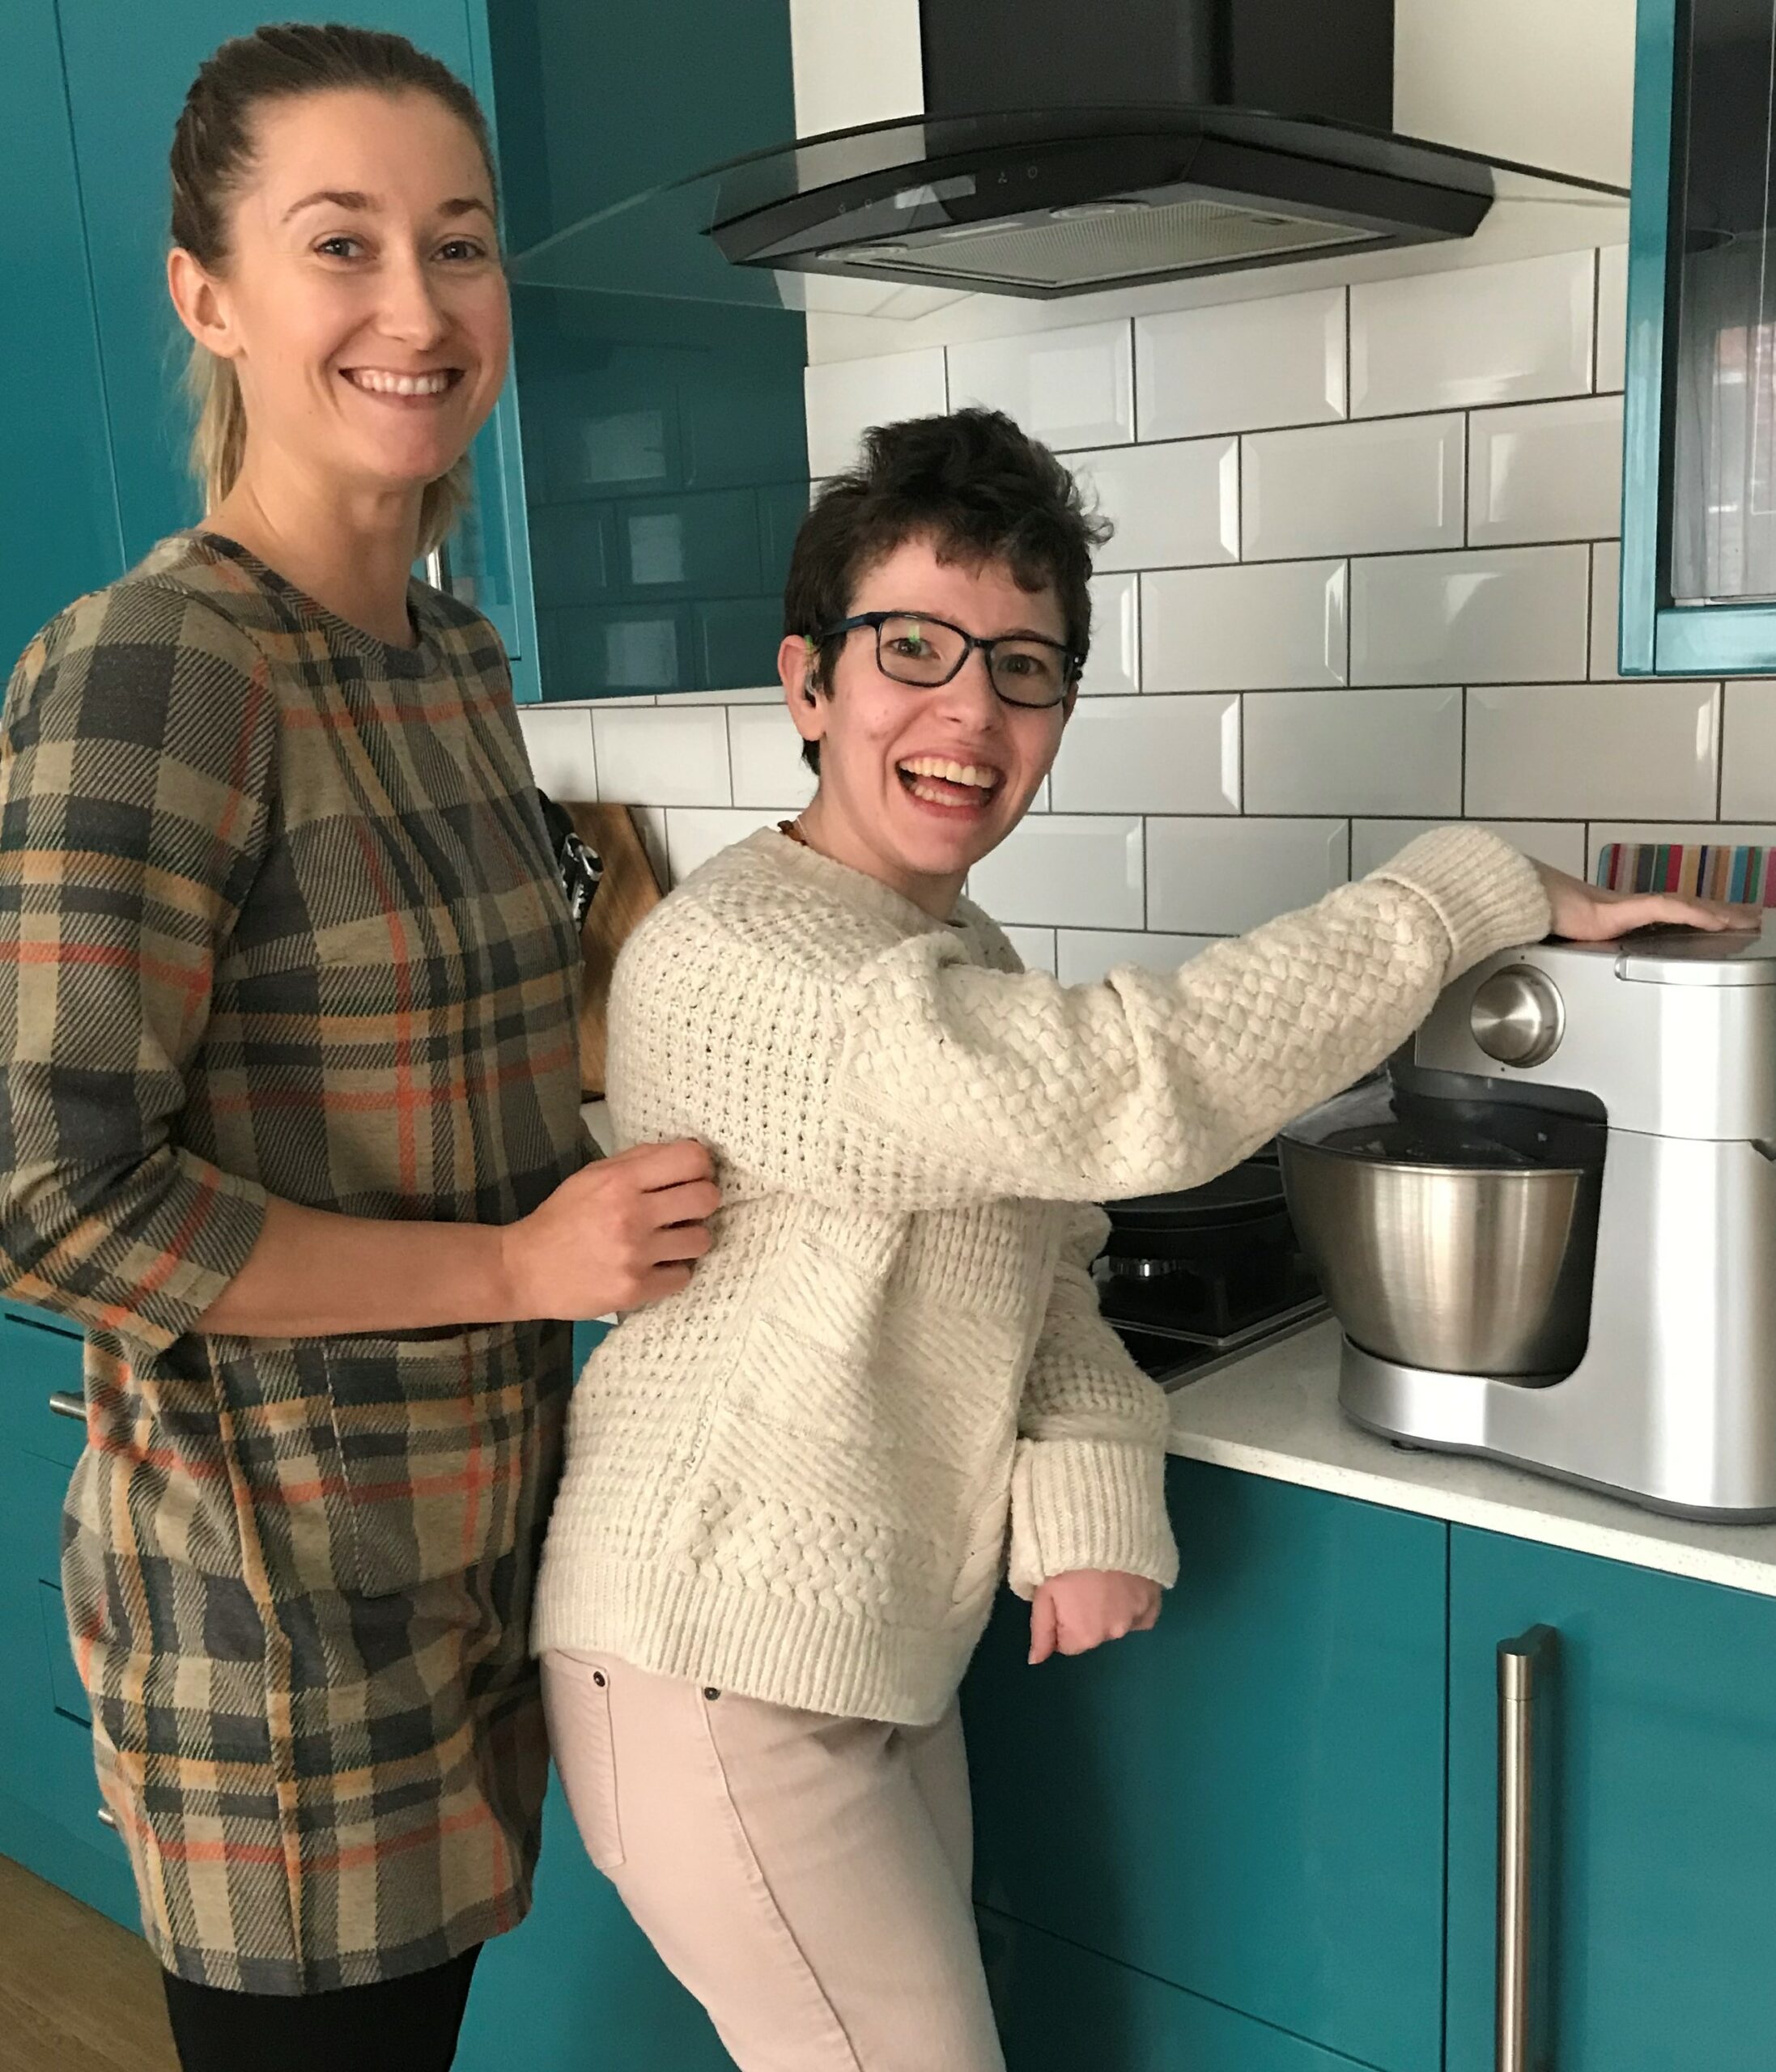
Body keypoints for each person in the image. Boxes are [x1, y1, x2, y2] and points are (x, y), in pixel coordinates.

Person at [533, 406, 1749, 2072]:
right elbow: (1132, 1091)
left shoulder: (943, 939)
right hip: (710, 1671)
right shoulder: (759, 957)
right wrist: (1473, 886)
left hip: (852, 1652)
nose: (969, 708)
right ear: (808, 684)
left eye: (1023, 668)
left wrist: (1092, 1483)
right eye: (913, 648)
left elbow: (1040, 1259)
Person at [0, 25, 714, 2072]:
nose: (420, 308)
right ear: (206, 294)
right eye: (343, 244)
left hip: (468, 1560)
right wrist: (512, 1268)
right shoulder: (160, 666)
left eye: (460, 245)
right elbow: (44, 1195)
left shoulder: (446, 658)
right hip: (272, 1612)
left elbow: (445, 1068)